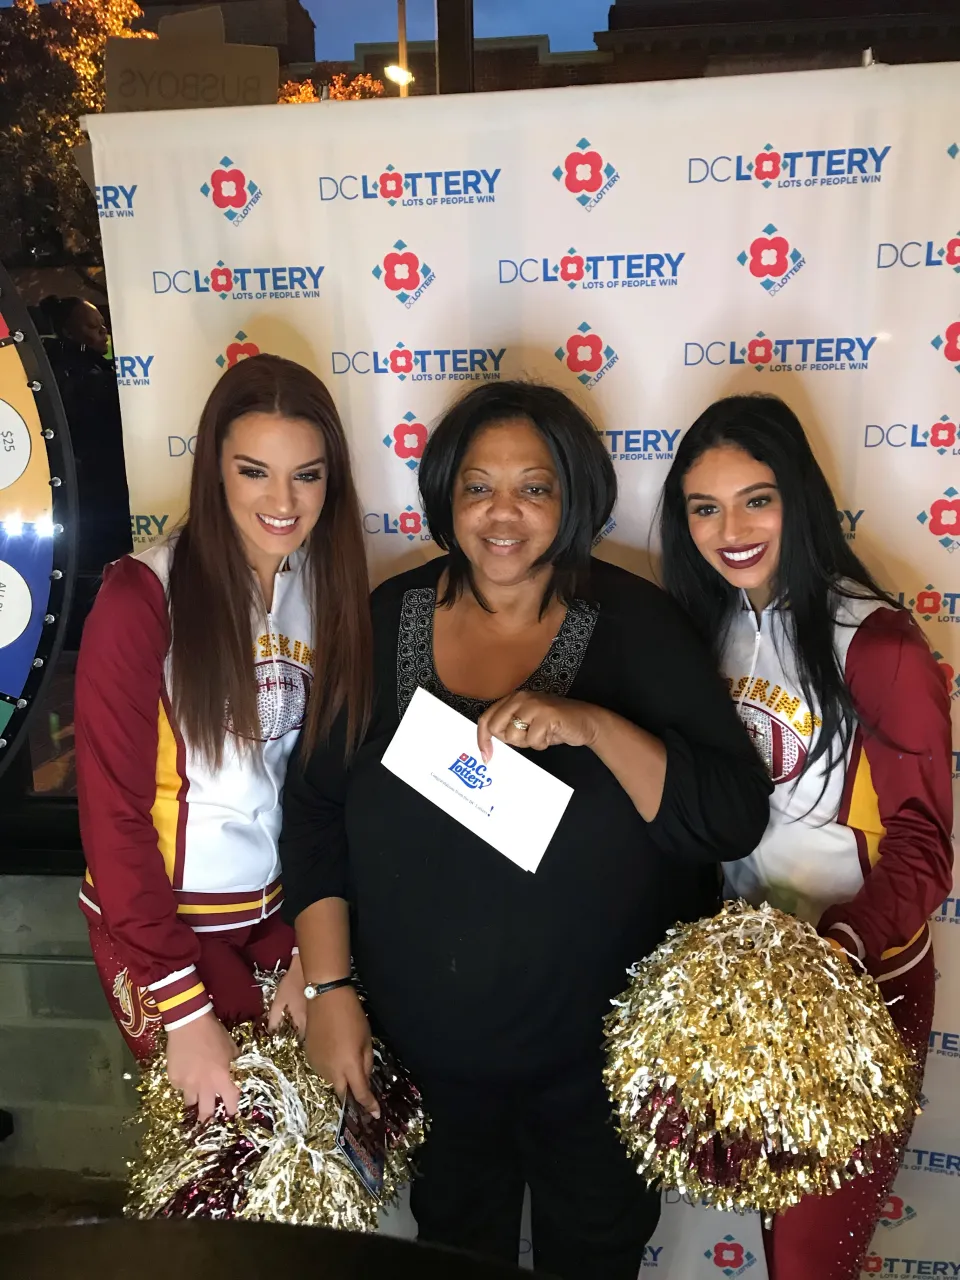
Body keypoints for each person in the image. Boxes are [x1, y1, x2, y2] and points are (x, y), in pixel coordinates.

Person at [279, 380, 772, 1279]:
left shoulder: (637, 623)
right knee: (454, 1251)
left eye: (534, 488)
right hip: (431, 1057)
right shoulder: (385, 620)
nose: (503, 515)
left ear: (572, 496)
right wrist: (328, 989)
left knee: (595, 1252)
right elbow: (313, 813)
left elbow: (729, 816)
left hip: (595, 1063)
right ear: (446, 496)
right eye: (478, 487)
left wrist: (593, 725)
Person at [659, 393, 954, 1280]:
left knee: (811, 1259)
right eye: (704, 507)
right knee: (772, 1236)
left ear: (800, 498)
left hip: (862, 988)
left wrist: (840, 953)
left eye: (758, 499)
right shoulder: (699, 631)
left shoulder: (879, 644)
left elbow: (924, 841)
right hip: (746, 992)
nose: (731, 529)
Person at [75, 354, 371, 1122]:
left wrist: (314, 946)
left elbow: (322, 787)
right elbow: (112, 815)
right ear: (214, 470)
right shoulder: (142, 595)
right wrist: (183, 1012)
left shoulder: (325, 589)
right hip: (162, 926)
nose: (283, 501)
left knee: (328, 1138)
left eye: (307, 475)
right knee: (236, 1160)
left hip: (276, 913)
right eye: (254, 472)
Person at [41, 294, 131, 576]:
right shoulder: (70, 374)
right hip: (91, 496)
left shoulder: (95, 368)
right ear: (69, 332)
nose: (104, 331)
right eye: (93, 327)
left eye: (103, 324)